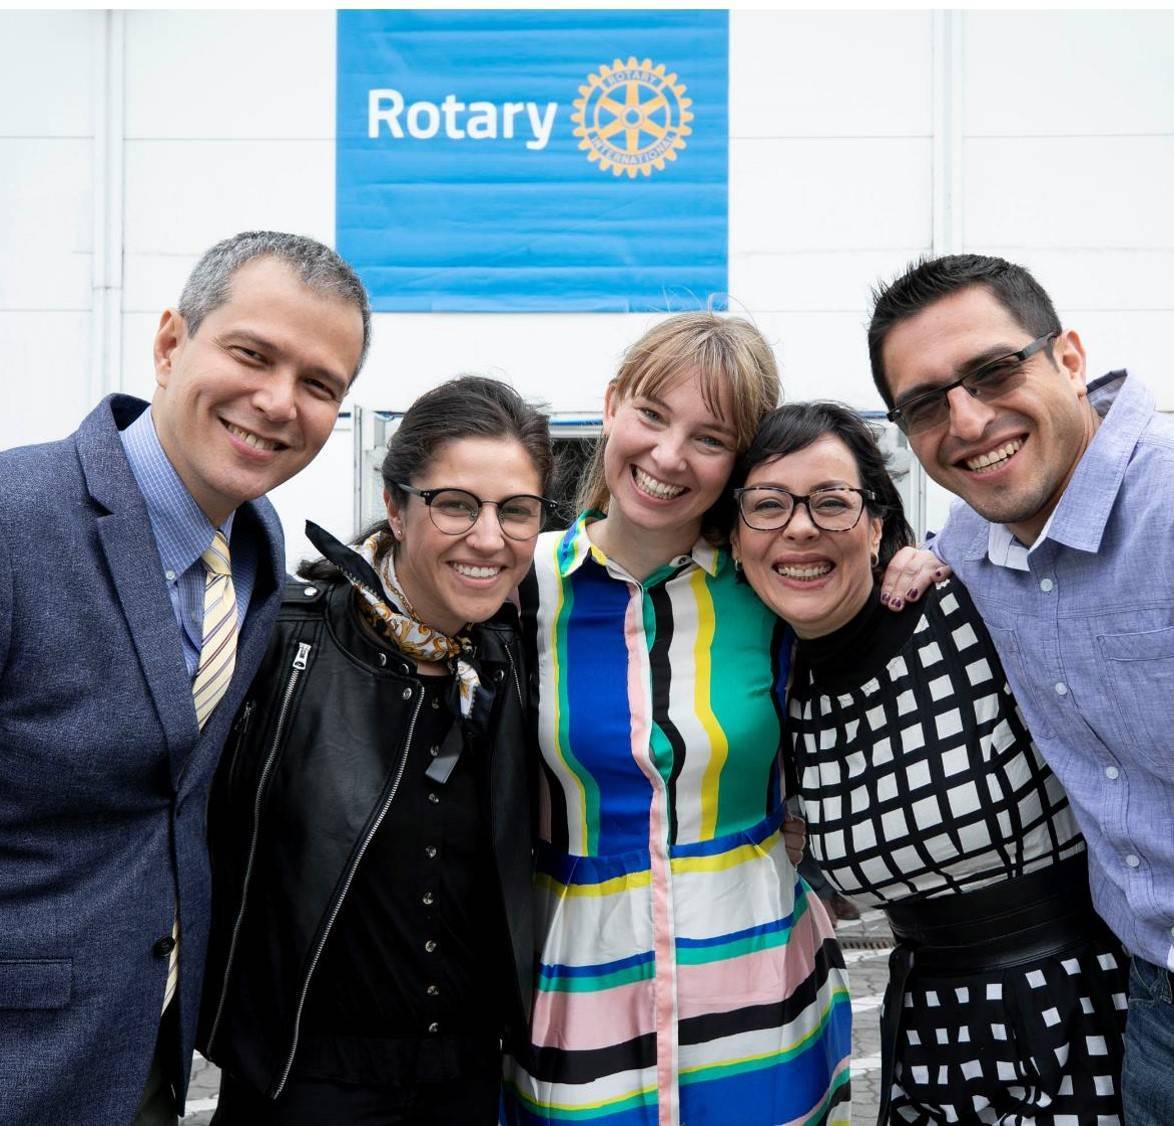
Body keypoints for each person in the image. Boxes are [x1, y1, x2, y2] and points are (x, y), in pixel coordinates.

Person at [0, 230, 369, 1125]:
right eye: (252, 354)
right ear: (168, 343)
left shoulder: (263, 560)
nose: (277, 402)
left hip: (147, 1059)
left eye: (318, 386)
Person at [732, 400, 1128, 1124]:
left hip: (1086, 1002)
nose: (799, 527)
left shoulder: (968, 604)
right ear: (734, 539)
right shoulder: (769, 690)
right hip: (928, 1031)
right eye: (766, 506)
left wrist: (962, 545)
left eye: (831, 502)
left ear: (878, 524)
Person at [503, 312, 855, 1126]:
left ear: (738, 464)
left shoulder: (770, 584)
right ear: (613, 405)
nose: (668, 456)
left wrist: (910, 557)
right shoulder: (523, 587)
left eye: (710, 437)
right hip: (577, 987)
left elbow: (868, 581)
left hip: (759, 981)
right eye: (652, 415)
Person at [869, 254, 1174, 1123]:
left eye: (995, 370)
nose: (967, 420)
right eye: (927, 403)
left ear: (1070, 357)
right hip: (1155, 1003)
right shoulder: (970, 547)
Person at [202, 376, 553, 1124]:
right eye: (456, 504)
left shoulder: (524, 654)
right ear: (396, 506)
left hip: (468, 1080)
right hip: (299, 1079)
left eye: (515, 511)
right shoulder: (278, 638)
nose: (488, 538)